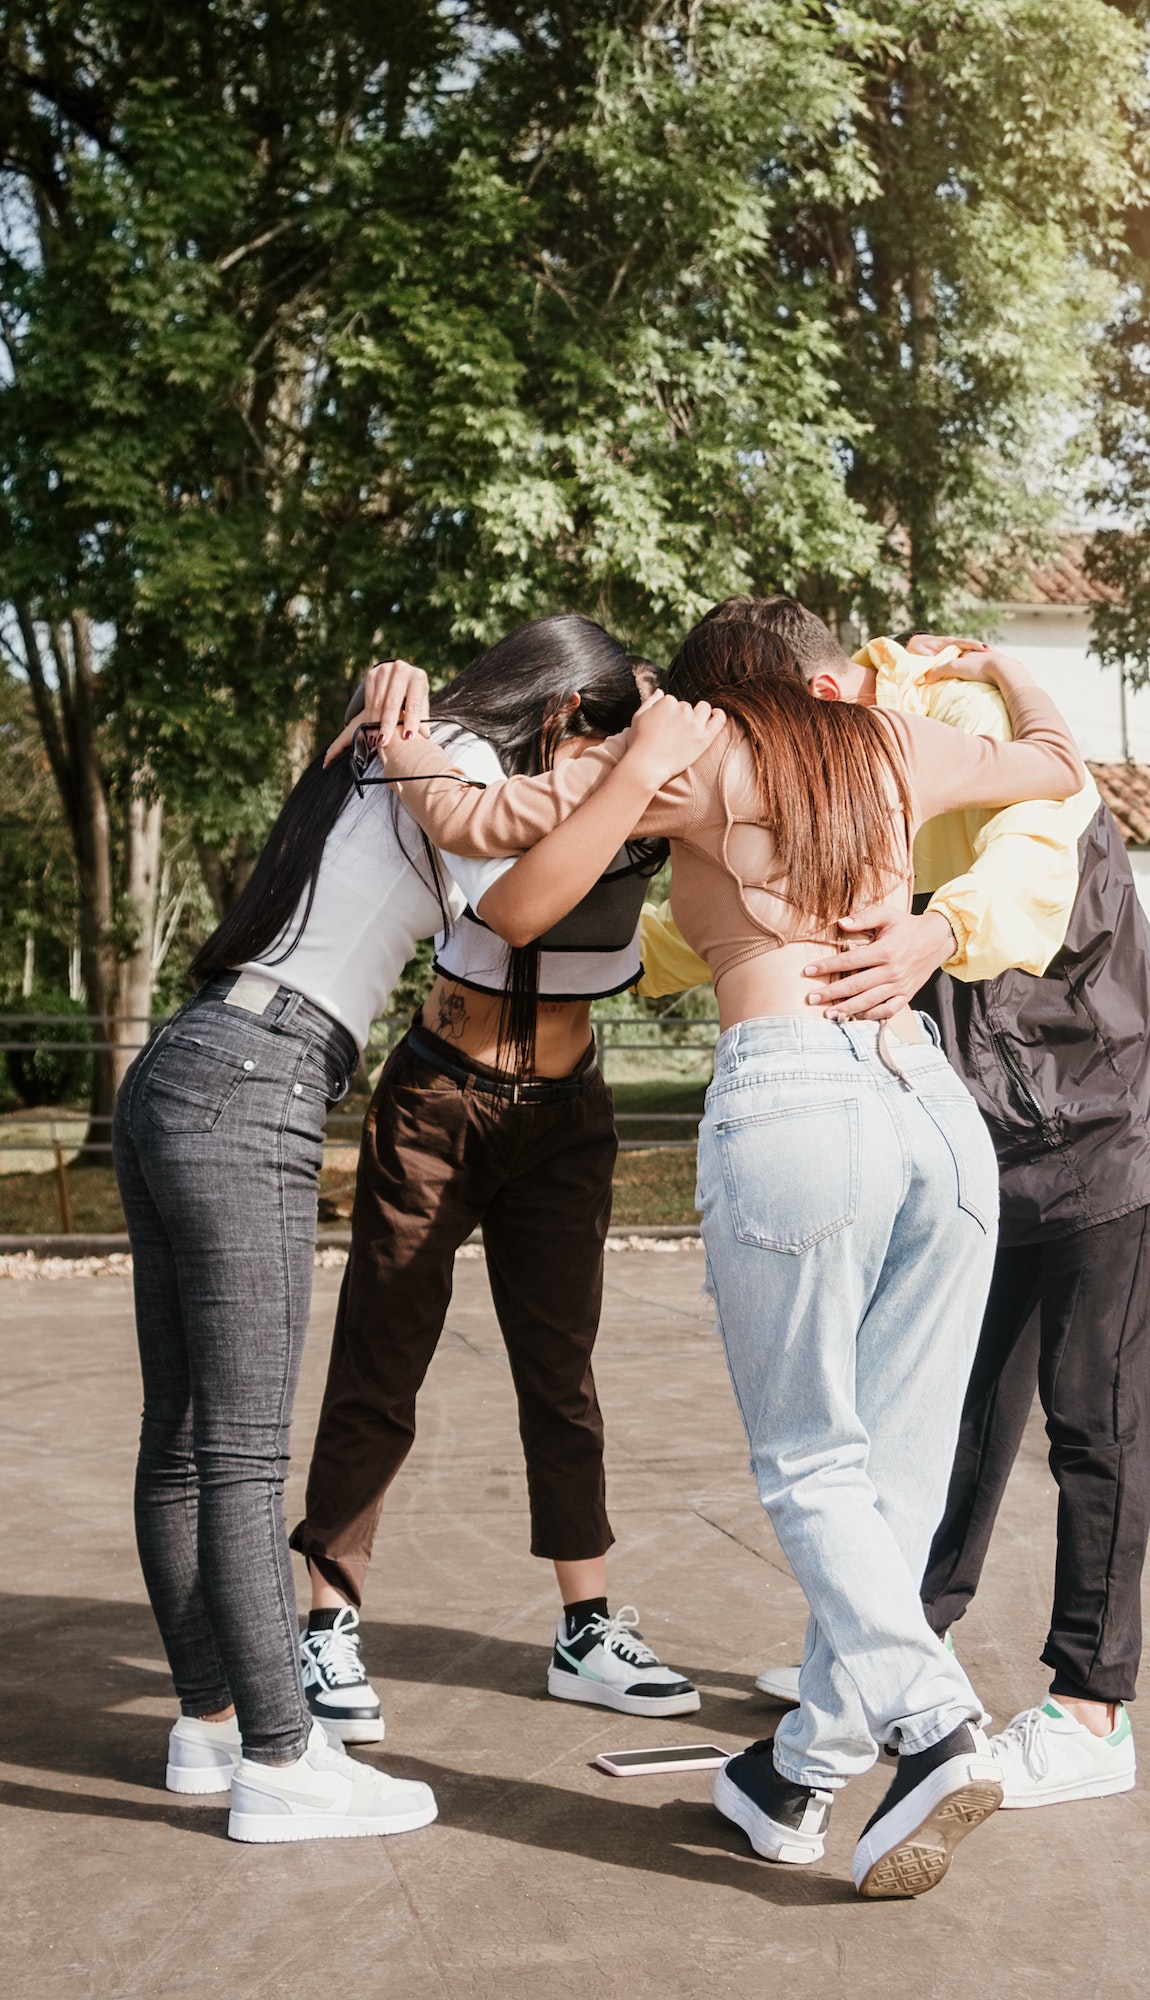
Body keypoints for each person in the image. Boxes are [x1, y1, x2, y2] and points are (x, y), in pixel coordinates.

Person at [347, 618, 1085, 1898]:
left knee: (809, 1456)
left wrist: (408, 748)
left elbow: (493, 849)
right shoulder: (892, 741)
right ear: (809, 671)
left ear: (698, 687)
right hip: (933, 1108)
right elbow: (1054, 765)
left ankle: (931, 1722)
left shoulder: (688, 747)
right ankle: (799, 1767)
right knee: (891, 1475)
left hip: (799, 1091)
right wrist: (1001, 670)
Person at [112, 616, 713, 1842]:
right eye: (592, 734)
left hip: (188, 1058)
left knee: (181, 1444)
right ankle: (283, 1754)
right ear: (560, 715)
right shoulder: (453, 757)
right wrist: (645, 754)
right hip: (259, 1077)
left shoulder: (405, 734)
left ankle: (212, 1727)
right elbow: (530, 897)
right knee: (233, 1454)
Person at [714, 601, 1150, 1810]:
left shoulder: (950, 708)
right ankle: (890, 1650)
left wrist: (937, 926)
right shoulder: (818, 753)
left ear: (818, 703)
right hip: (975, 1132)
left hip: (1105, 1113)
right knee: (939, 1420)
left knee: (1093, 1416)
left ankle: (1091, 1707)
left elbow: (1040, 846)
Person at [291, 622, 720, 1740]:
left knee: (561, 1372)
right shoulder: (475, 769)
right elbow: (503, 896)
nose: (638, 738)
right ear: (562, 710)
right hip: (442, 1098)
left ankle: (586, 1627)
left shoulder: (650, 785)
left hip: (568, 1113)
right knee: (382, 1353)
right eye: (616, 717)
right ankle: (324, 1622)